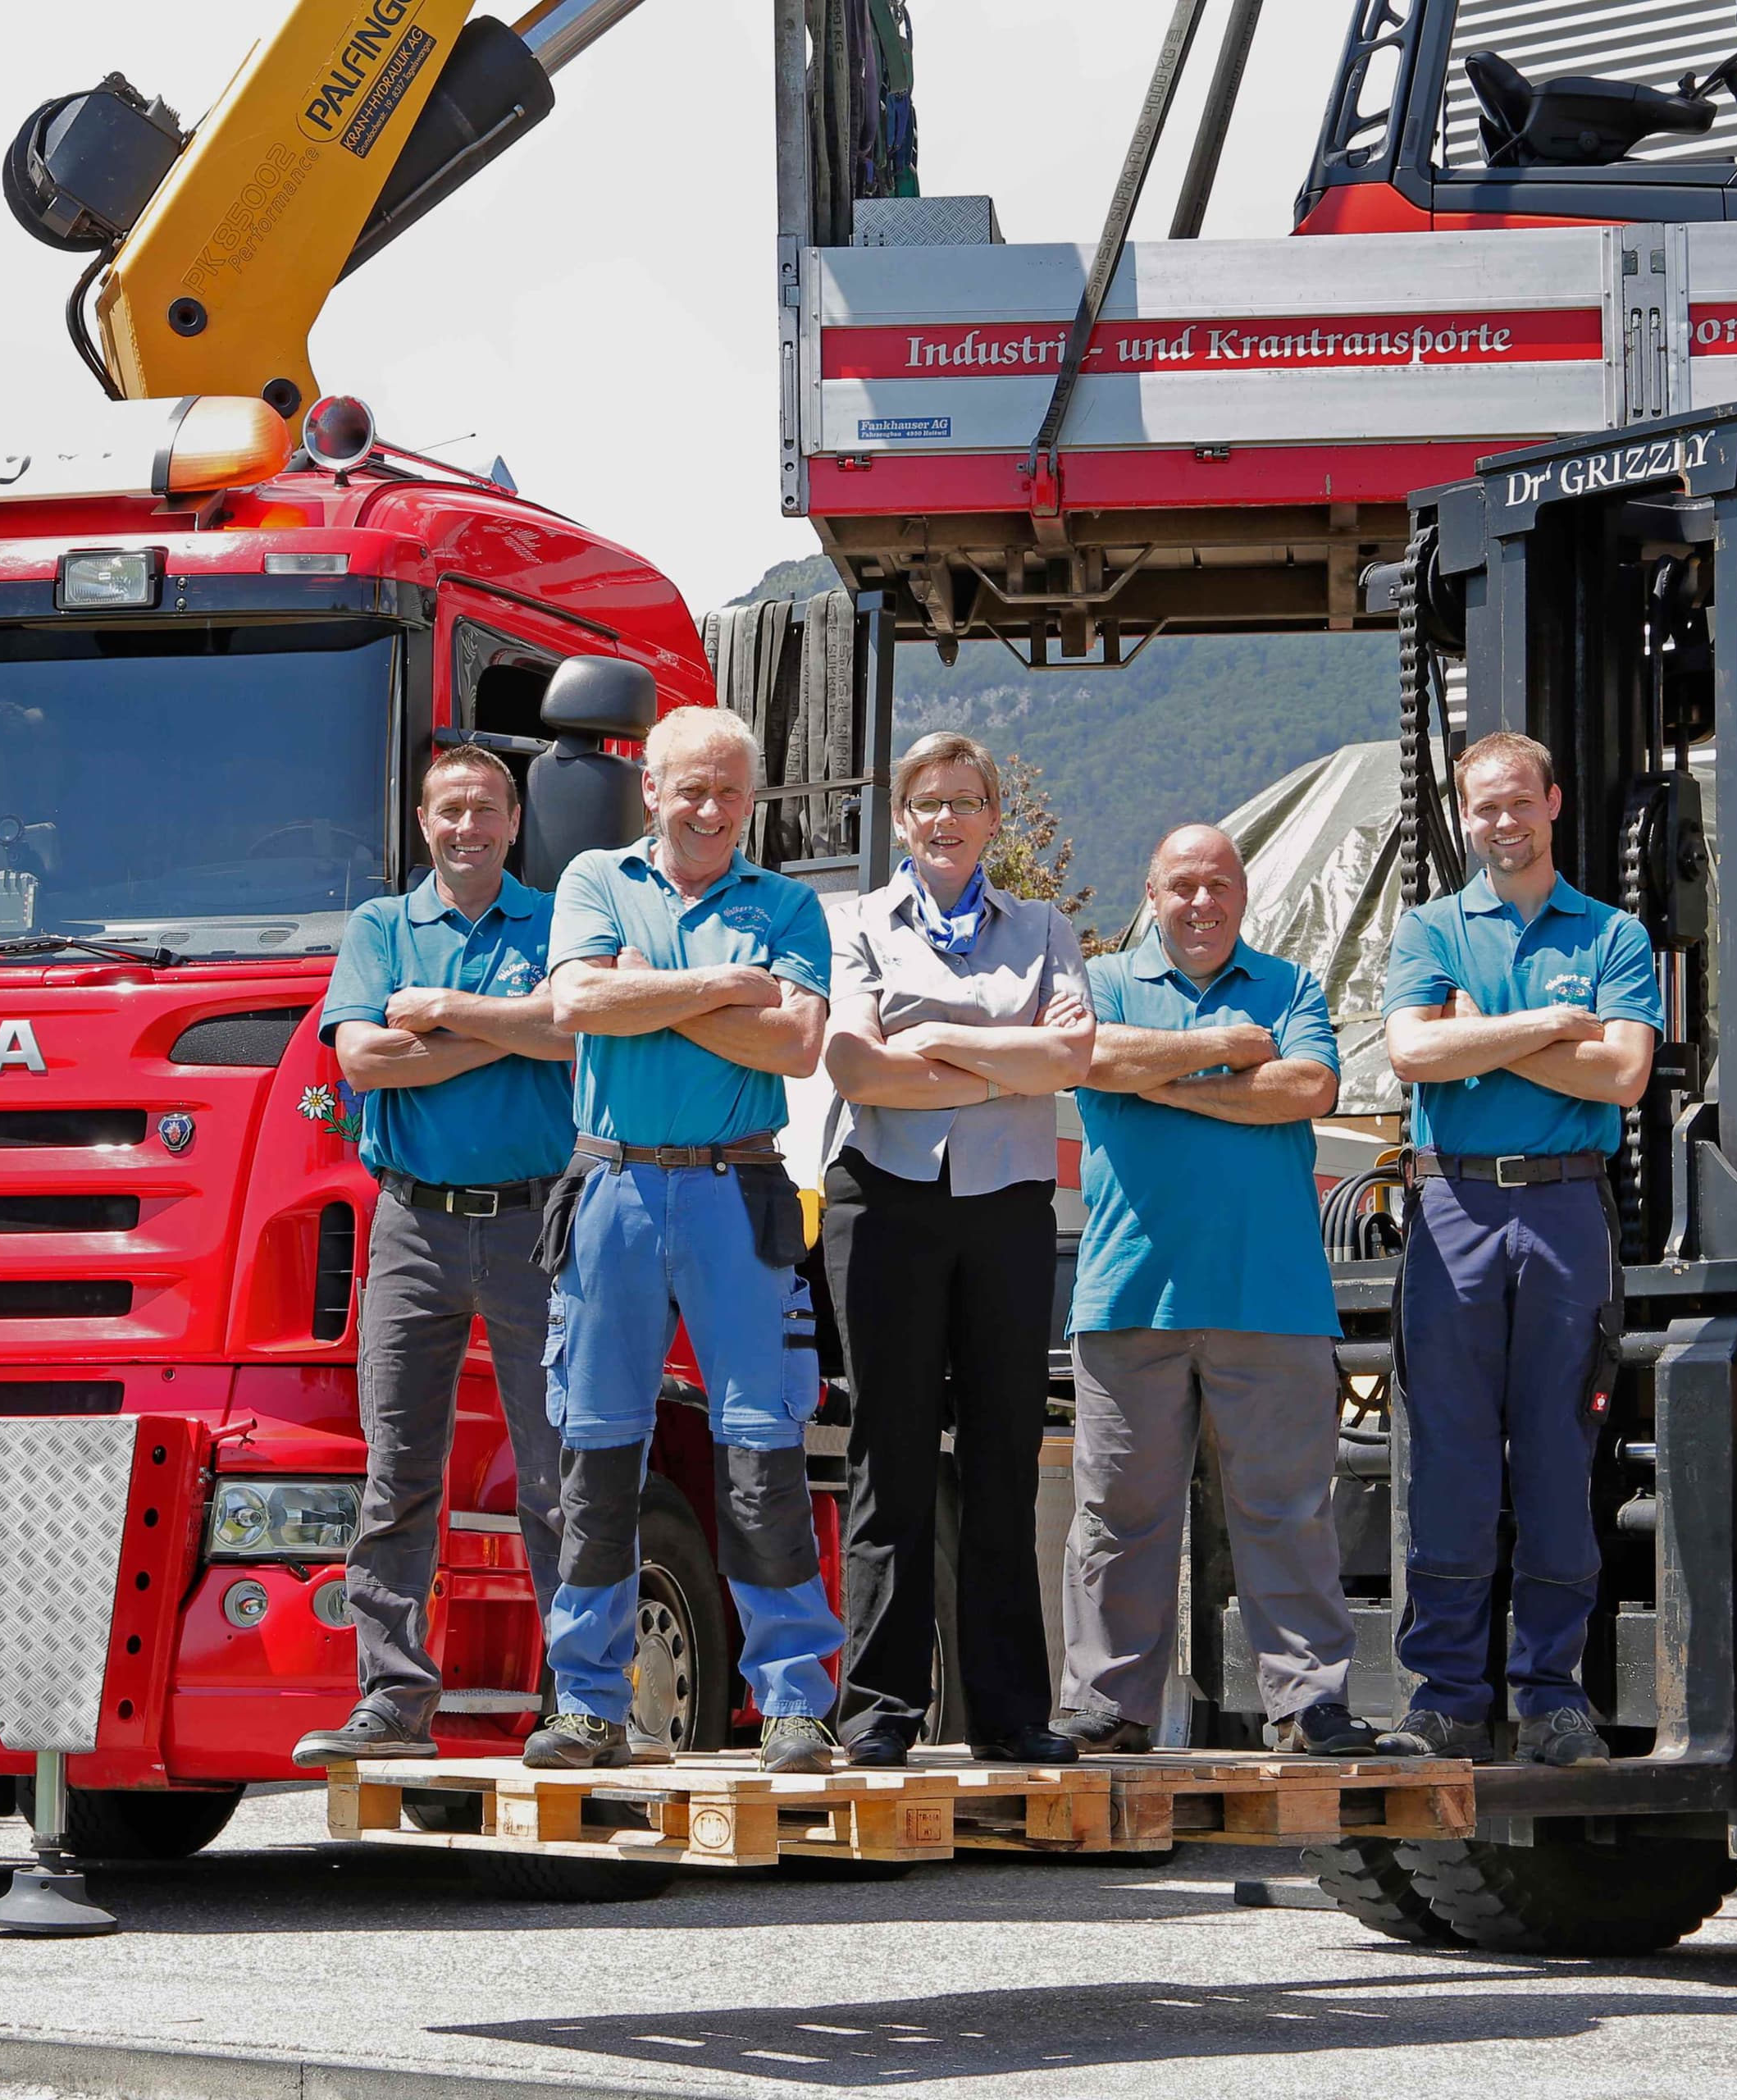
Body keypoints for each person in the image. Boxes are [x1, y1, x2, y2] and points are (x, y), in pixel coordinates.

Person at [528, 705, 849, 1775]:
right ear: (651, 792)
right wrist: (719, 988)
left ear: (750, 801)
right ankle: (586, 1705)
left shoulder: (788, 903)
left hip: (738, 1189)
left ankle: (798, 1703)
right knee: (598, 1447)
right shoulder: (591, 882)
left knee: (761, 1448)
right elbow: (576, 1002)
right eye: (690, 789)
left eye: (730, 792)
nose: (710, 810)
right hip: (612, 1186)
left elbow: (798, 1044)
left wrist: (643, 994)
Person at [1055, 824, 1377, 1758]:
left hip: (1269, 1293)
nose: (1202, 903)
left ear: (1244, 893)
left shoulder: (1290, 986)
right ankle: (1107, 1705)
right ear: (1150, 894)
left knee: (1290, 1511)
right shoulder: (1104, 982)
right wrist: (1227, 1051)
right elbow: (1096, 1061)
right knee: (1119, 1515)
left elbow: (1308, 1084)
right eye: (1182, 886)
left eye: (1219, 885)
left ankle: (1308, 1704)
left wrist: (1168, 1078)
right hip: (1130, 1294)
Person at [1376, 733, 1660, 1767]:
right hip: (1453, 1202)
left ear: (1552, 800)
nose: (1501, 823)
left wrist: (1482, 1035)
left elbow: (1624, 1078)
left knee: (1554, 1456)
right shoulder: (1430, 927)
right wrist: (1547, 1026)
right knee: (1449, 1459)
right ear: (1467, 815)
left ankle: (1551, 1697)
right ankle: (1447, 1696)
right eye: (1482, 808)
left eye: (1516, 804)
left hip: (1565, 1212)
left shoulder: (1615, 932)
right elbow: (1412, 1051)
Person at [292, 743, 575, 1767]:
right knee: (399, 1468)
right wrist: (516, 1025)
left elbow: (577, 1033)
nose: (469, 827)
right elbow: (362, 1058)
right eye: (451, 810)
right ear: (424, 822)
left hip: (538, 1222)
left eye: (487, 809)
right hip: (413, 1224)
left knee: (557, 1472)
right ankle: (393, 1698)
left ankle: (579, 1703)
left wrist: (448, 1012)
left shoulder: (557, 920)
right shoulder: (380, 927)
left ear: (512, 822)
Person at [819, 732, 1095, 1768]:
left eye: (966, 801)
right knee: (887, 1457)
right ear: (901, 818)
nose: (946, 819)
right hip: (882, 1201)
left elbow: (1071, 1055)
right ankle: (882, 1708)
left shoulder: (1046, 927)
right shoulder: (858, 926)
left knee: (1002, 1459)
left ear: (990, 818)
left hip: (1007, 1206)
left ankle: (1011, 1711)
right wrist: (1003, 1063)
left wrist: (933, 1042)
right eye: (927, 802)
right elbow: (855, 1064)